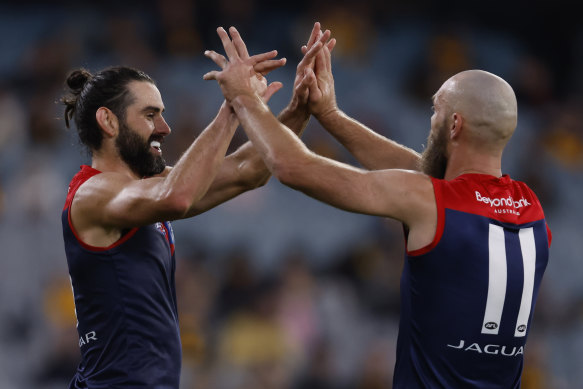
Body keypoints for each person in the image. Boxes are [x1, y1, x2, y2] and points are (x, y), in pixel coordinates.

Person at [204, 25, 552, 388]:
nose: (430, 121)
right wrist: (330, 115)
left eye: (436, 111)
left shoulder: (430, 200)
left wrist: (244, 98)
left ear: (454, 125)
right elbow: (422, 173)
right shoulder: (532, 208)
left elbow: (293, 167)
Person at [60, 25, 330, 388]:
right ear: (108, 121)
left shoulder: (147, 187)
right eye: (150, 115)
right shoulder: (93, 194)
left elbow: (247, 172)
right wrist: (232, 106)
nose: (165, 127)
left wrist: (300, 106)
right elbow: (178, 196)